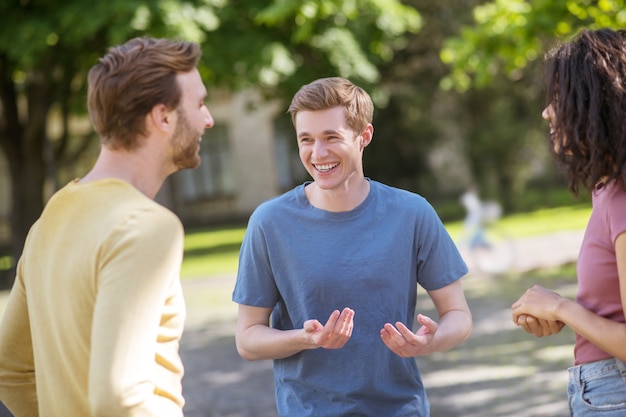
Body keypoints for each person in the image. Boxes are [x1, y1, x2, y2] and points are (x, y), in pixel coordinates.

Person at [232, 77, 472, 416]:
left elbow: (458, 316)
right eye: (306, 140)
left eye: (331, 137)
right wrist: (306, 338)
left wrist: (431, 341)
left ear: (364, 136)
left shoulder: (412, 213)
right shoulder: (269, 223)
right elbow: (248, 339)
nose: (318, 154)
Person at [0, 37, 214, 416]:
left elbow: (9, 370)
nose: (207, 118)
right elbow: (118, 397)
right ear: (162, 117)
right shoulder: (147, 227)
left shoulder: (52, 218)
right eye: (198, 104)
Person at [512, 28, 626, 416]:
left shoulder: (622, 196)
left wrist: (561, 307)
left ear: (597, 100)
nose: (547, 111)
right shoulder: (607, 189)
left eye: (559, 96)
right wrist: (563, 316)